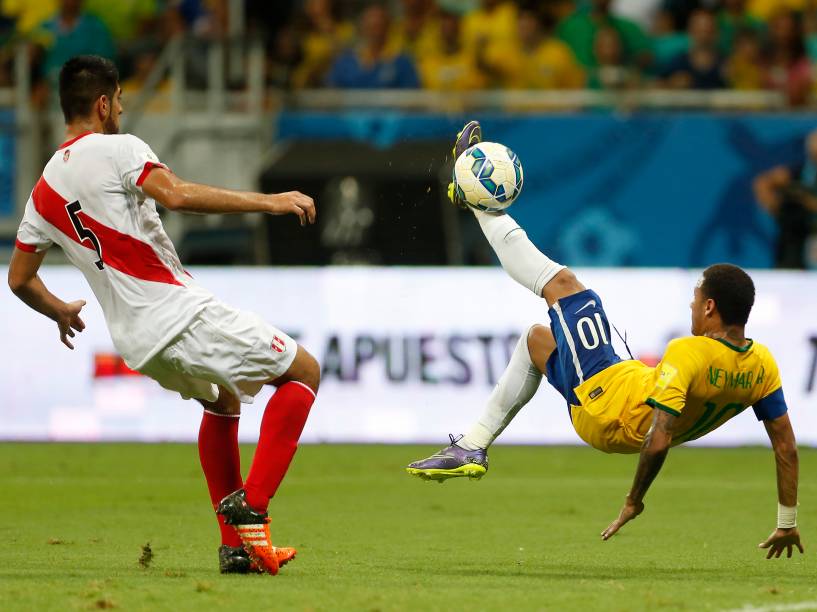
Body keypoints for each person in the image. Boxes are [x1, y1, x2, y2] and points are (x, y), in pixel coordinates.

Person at [408, 122, 804, 559]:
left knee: (563, 284)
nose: (691, 307)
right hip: (618, 389)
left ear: (710, 309)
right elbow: (785, 446)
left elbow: (659, 434)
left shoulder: (688, 352)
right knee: (539, 341)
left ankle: (476, 200)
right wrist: (787, 522)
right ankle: (471, 446)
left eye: (696, 299)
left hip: (608, 405)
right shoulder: (762, 365)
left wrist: (634, 499)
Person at [7, 56, 320, 576]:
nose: (123, 110)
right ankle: (254, 506)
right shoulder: (118, 149)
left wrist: (59, 309)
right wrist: (269, 201)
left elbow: (18, 278)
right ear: (103, 104)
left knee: (221, 403)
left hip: (135, 341)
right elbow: (176, 195)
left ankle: (236, 548)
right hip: (177, 312)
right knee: (304, 373)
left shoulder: (41, 192)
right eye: (121, 100)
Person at [753, 129, 817, 269]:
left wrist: (806, 199)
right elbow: (762, 182)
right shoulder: (796, 172)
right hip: (795, 236)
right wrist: (773, 206)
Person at [325, 4, 419, 89]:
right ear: (361, 29)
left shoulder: (402, 62)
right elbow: (331, 93)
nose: (375, 33)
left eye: (379, 26)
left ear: (388, 28)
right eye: (370, 27)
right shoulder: (345, 62)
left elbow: (410, 97)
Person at [659, 9, 726, 90]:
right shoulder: (678, 62)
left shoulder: (726, 64)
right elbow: (653, 86)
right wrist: (671, 83)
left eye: (708, 30)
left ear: (716, 32)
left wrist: (734, 80)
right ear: (690, 31)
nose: (703, 35)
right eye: (699, 30)